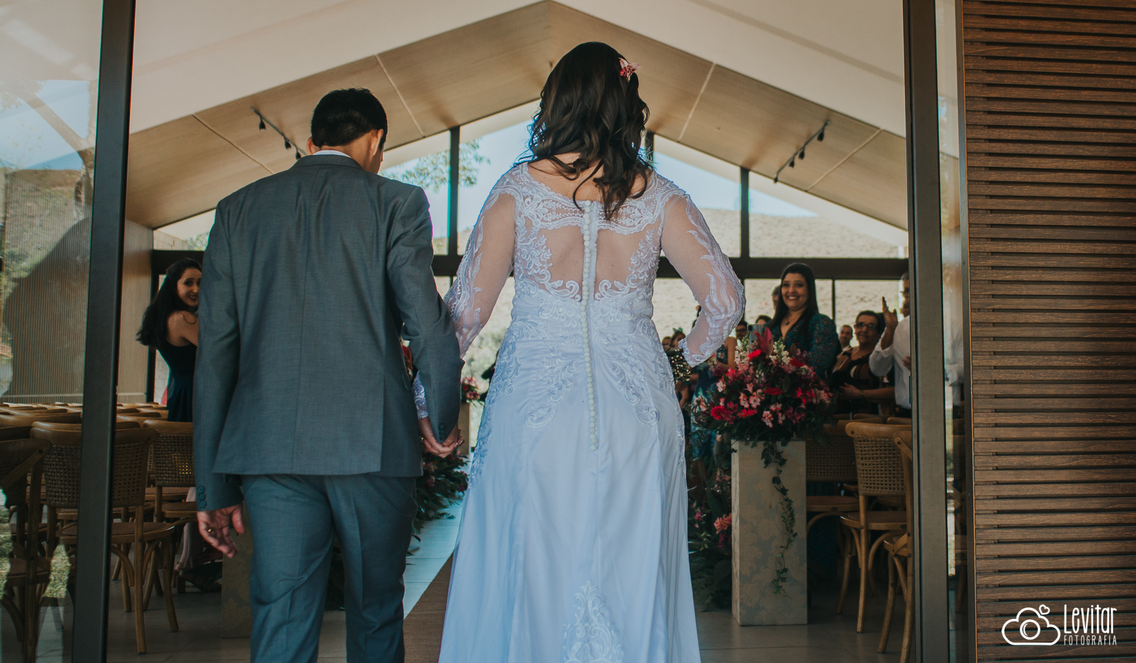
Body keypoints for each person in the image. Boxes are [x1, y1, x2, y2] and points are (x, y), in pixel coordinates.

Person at [433, 42, 744, 662]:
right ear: (626, 103)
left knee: (529, 557)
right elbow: (727, 302)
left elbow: (464, 317)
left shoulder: (516, 191)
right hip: (637, 407)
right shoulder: (660, 196)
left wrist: (428, 401)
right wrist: (683, 355)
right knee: (632, 566)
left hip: (535, 407)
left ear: (559, 101)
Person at [193, 88, 464, 663]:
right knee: (375, 612)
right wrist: (437, 418)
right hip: (372, 443)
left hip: (270, 449)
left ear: (313, 142)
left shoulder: (238, 209)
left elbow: (215, 353)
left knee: (282, 614)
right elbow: (428, 326)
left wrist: (214, 485)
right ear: (374, 140)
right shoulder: (397, 202)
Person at [136, 258, 201, 422]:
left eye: (200, 283)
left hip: (181, 392)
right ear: (174, 287)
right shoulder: (183, 319)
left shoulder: (167, 317)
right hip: (194, 394)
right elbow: (220, 350)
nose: (196, 289)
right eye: (188, 283)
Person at [769, 262, 840, 375]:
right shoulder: (770, 326)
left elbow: (817, 364)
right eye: (786, 285)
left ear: (809, 289)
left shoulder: (821, 323)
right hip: (767, 390)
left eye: (798, 285)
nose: (791, 290)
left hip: (807, 391)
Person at [830, 311, 894, 415]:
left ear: (878, 332)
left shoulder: (882, 358)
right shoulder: (844, 355)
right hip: (838, 420)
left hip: (870, 422)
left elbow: (894, 391)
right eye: (860, 325)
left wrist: (860, 394)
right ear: (855, 328)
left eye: (871, 326)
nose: (864, 330)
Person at [870, 274, 912, 418]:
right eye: (906, 291)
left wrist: (929, 370)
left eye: (911, 290)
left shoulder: (948, 324)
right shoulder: (898, 328)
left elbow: (965, 369)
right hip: (906, 413)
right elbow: (877, 368)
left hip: (943, 410)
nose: (907, 296)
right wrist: (890, 330)